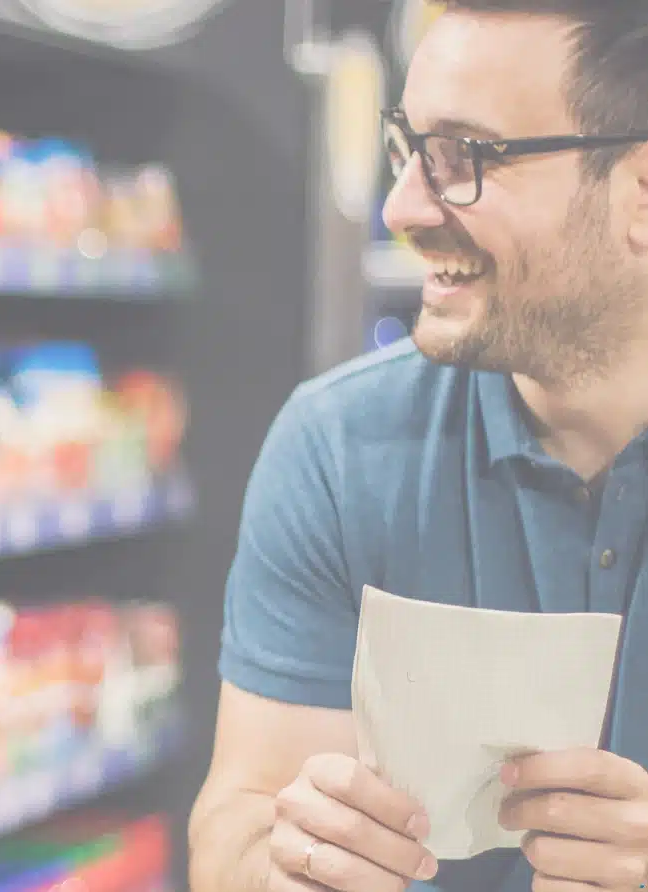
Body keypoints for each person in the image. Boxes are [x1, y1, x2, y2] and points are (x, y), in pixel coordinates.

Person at [188, 1, 648, 891]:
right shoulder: (339, 447)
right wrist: (288, 865)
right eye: (408, 149)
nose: (401, 208)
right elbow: (233, 827)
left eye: (464, 159)